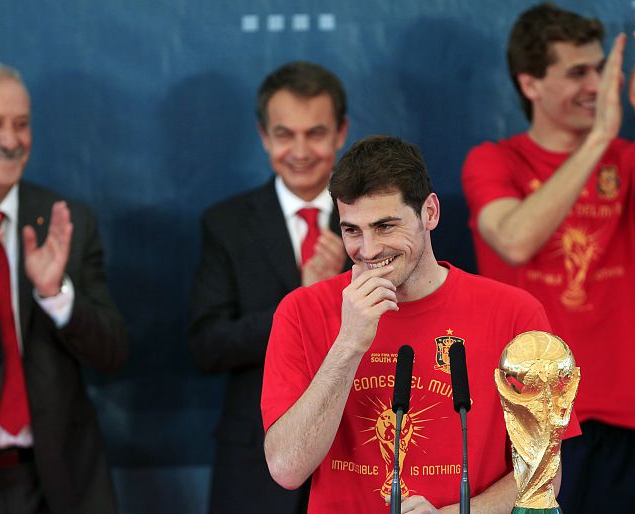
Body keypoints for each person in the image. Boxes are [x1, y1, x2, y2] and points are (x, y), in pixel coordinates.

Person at [461, 4, 635, 513]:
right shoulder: (494, 161)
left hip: (634, 420)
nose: (597, 84)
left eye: (600, 68)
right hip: (533, 424)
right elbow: (514, 240)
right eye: (578, 72)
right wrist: (599, 137)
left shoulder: (632, 158)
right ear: (530, 84)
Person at [262, 135, 579, 513]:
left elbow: (545, 471)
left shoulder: (514, 312)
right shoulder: (301, 311)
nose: (368, 250)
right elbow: (286, 469)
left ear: (430, 212)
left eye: (385, 226)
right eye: (352, 230)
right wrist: (347, 345)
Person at [0, 62, 129, 514]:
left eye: (21, 124)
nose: (11, 141)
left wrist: (56, 295)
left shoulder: (66, 219)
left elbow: (112, 352)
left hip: (60, 479)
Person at [188, 61, 350, 514]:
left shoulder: (375, 221)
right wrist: (300, 303)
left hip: (357, 450)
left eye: (315, 133)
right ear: (263, 136)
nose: (300, 151)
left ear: (341, 132)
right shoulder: (226, 224)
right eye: (284, 134)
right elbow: (208, 344)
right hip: (255, 462)